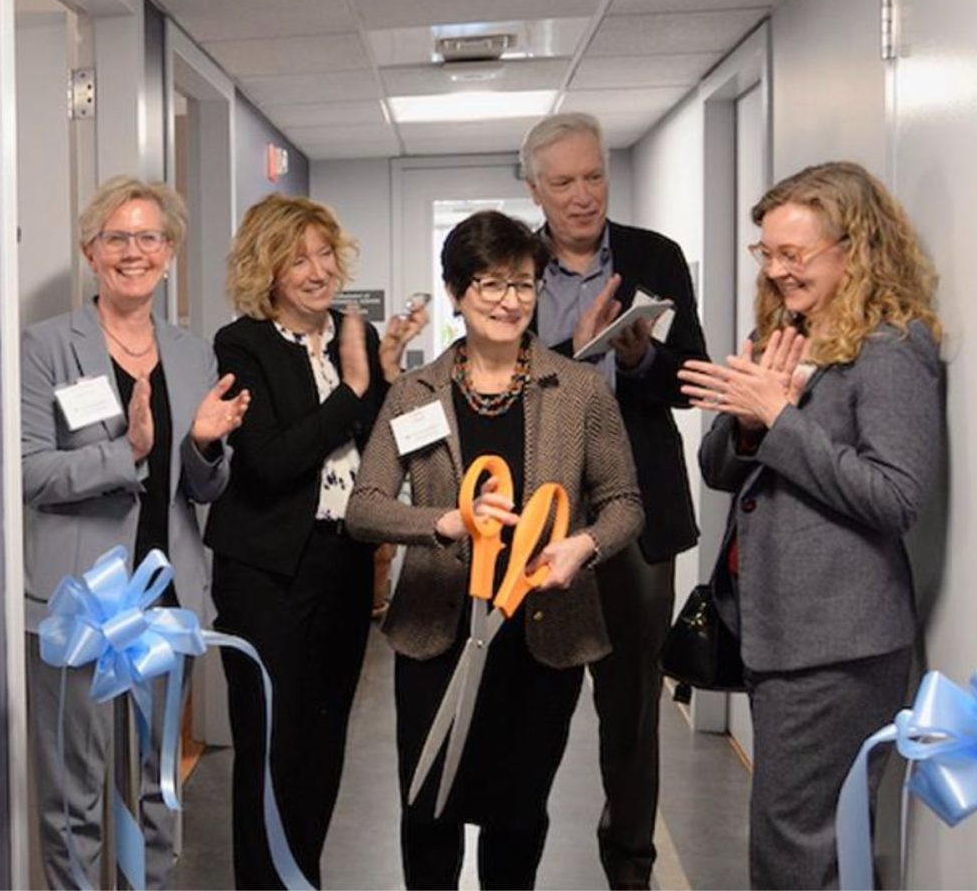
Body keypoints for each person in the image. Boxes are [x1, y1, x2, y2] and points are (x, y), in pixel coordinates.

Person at [349, 210, 644, 890]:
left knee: (518, 819)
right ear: (456, 292)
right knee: (428, 812)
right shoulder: (414, 393)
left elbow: (625, 503)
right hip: (436, 632)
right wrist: (446, 522)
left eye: (523, 284)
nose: (510, 301)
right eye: (490, 284)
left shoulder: (580, 390)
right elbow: (364, 507)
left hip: (542, 636)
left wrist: (583, 547)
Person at [680, 161, 943, 890]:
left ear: (855, 249)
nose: (776, 270)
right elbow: (719, 468)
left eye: (793, 254)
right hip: (779, 630)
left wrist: (779, 418)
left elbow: (895, 496)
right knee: (801, 839)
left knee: (798, 848)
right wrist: (749, 420)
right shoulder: (785, 332)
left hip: (839, 642)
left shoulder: (891, 348)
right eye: (767, 253)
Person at [20, 176, 251, 890]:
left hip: (165, 597)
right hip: (78, 604)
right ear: (90, 251)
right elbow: (29, 472)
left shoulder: (192, 354)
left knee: (158, 788)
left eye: (149, 237)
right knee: (74, 797)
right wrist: (130, 451)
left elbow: (203, 488)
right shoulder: (44, 347)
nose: (133, 252)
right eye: (116, 237)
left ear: (169, 252)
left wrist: (204, 446)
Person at [204, 194, 427, 888]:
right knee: (272, 745)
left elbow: (379, 445)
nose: (318, 270)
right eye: (297, 259)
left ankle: (305, 877)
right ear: (266, 270)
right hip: (266, 572)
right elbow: (270, 463)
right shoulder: (242, 343)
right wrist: (353, 390)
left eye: (325, 253)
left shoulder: (354, 333)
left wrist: (385, 374)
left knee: (326, 739)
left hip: (344, 562)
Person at [517, 111, 708, 889]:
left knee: (632, 713)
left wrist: (641, 357)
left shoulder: (654, 256)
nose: (583, 195)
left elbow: (689, 377)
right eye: (563, 182)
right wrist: (576, 354)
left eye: (594, 176)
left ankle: (630, 869)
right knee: (534, 704)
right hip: (541, 515)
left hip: (637, 515)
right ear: (536, 190)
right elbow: (501, 387)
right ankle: (511, 865)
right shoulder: (514, 266)